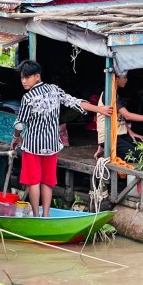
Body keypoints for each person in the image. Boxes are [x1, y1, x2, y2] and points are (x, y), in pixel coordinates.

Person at [9, 60, 112, 218]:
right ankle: (47, 214)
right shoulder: (54, 90)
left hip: (32, 145)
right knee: (48, 180)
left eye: (27, 77)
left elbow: (20, 124)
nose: (23, 81)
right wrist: (99, 109)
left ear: (37, 77)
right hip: (51, 144)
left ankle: (36, 215)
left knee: (34, 181)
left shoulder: (27, 98)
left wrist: (15, 138)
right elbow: (74, 102)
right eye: (22, 77)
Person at [95, 73, 143, 160]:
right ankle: (107, 149)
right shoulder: (109, 94)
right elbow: (127, 115)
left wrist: (131, 132)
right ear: (116, 78)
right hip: (110, 137)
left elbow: (119, 117)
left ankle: (106, 149)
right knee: (139, 155)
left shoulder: (114, 93)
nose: (126, 80)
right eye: (124, 77)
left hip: (120, 134)